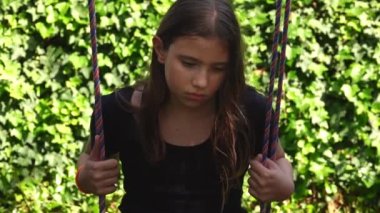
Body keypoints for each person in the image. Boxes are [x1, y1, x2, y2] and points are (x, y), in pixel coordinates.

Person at [76, 0, 294, 212]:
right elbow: (88, 164)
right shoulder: (119, 110)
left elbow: (279, 161)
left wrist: (283, 184)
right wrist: (88, 177)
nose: (201, 82)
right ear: (160, 50)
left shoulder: (247, 110)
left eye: (218, 68)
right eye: (189, 64)